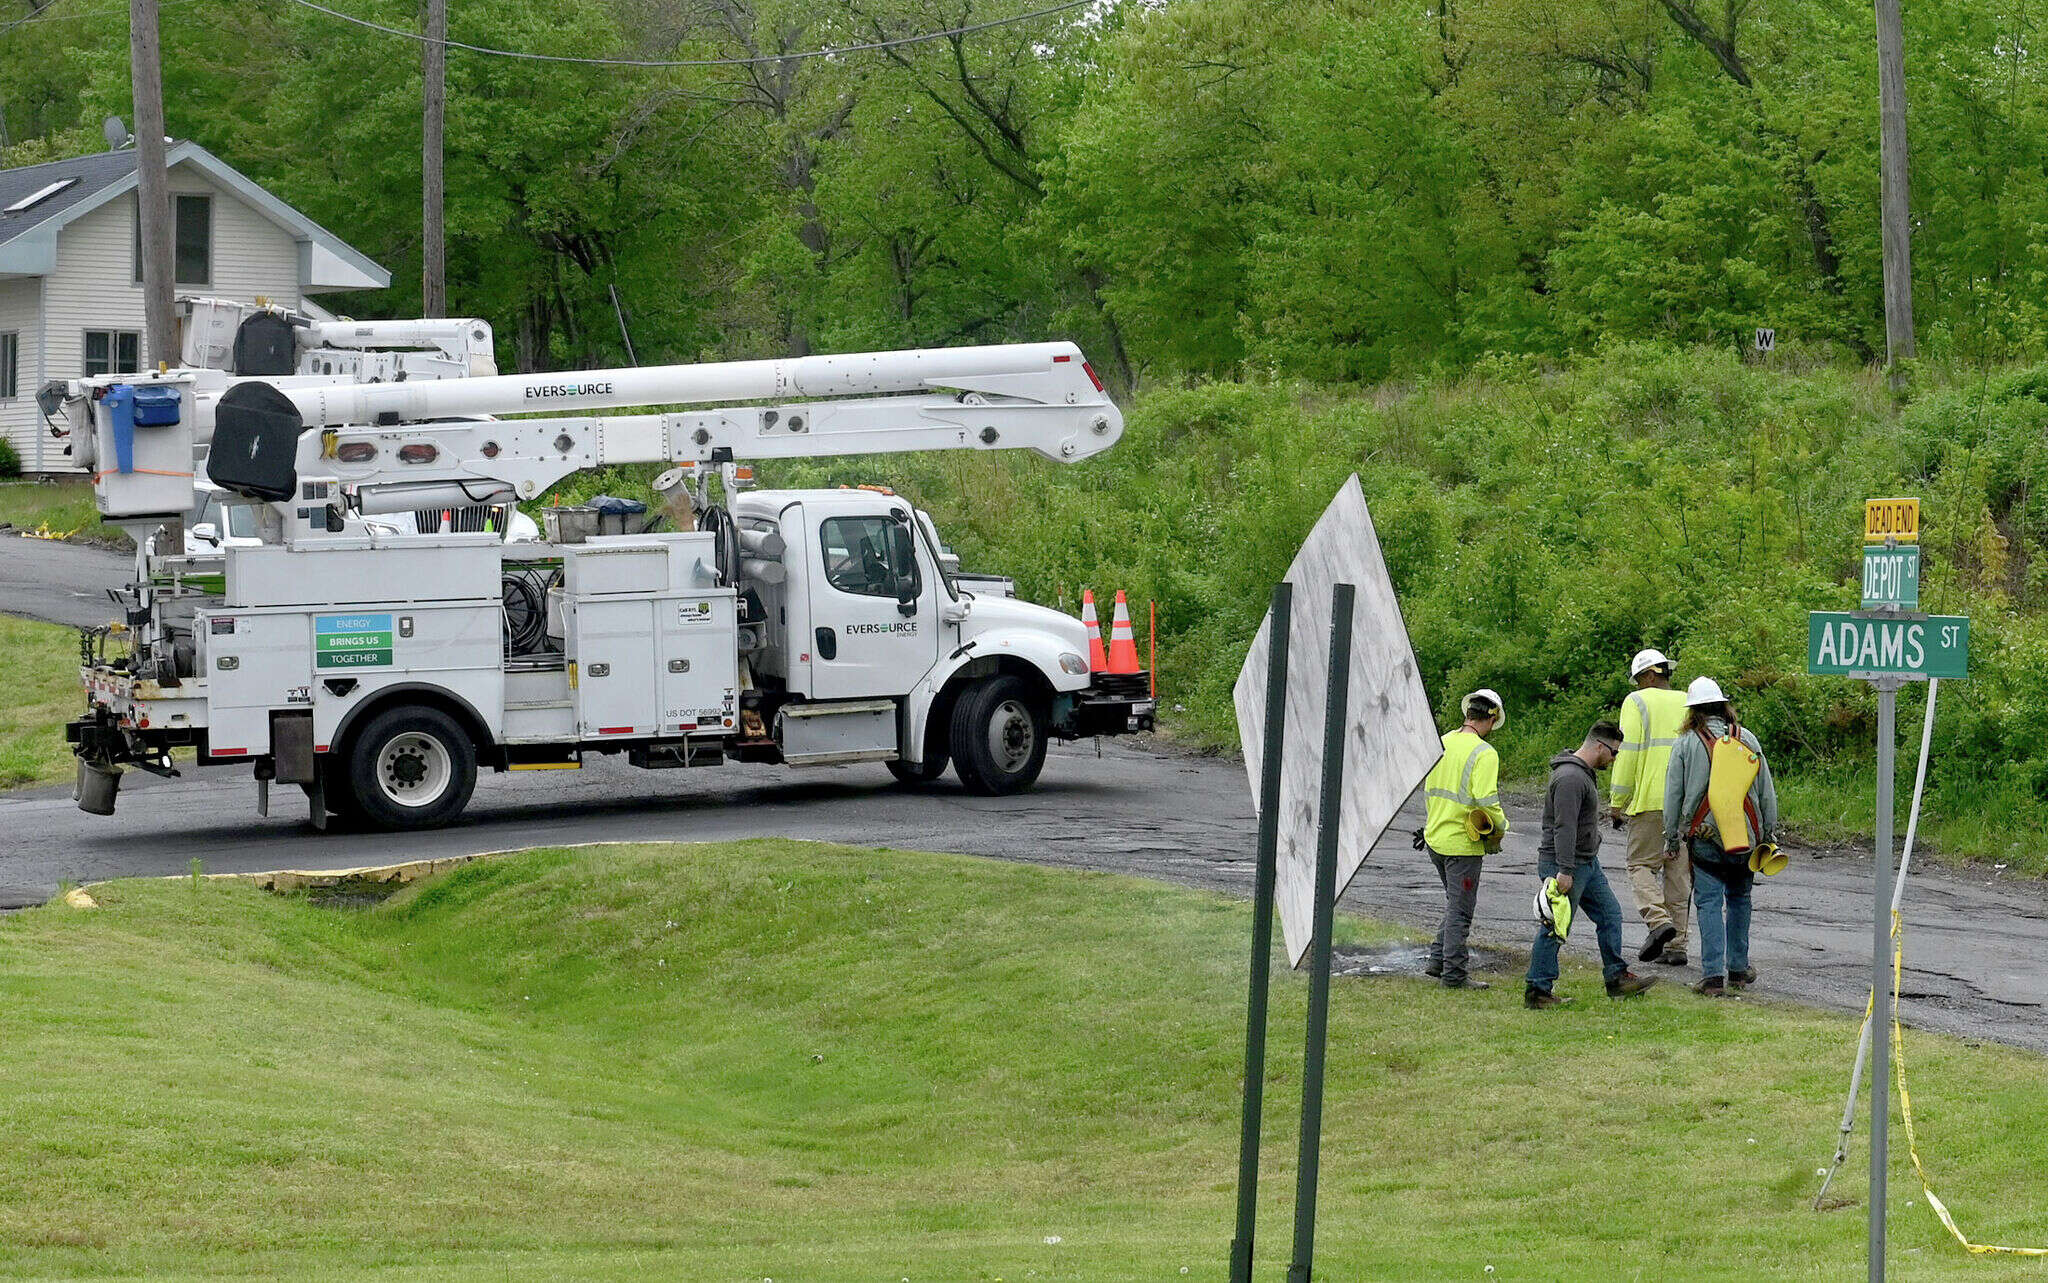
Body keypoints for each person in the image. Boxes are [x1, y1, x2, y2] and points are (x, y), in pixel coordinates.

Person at [1525, 720, 1659, 1009]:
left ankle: (1617, 978)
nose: (1614, 759)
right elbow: (1564, 827)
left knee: (1610, 914)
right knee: (1555, 927)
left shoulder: (1582, 774)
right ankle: (1537, 991)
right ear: (1599, 746)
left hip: (1586, 863)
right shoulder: (1571, 778)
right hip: (1566, 865)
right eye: (1613, 753)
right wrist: (1564, 870)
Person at [1662, 677, 1778, 998]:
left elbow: (1673, 795)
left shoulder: (1686, 744)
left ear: (1693, 711)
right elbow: (1766, 792)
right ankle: (1739, 969)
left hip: (1705, 838)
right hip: (1747, 839)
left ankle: (1713, 976)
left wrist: (1671, 838)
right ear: (1724, 706)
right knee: (1740, 900)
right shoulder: (1748, 739)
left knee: (1709, 902)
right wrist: (1768, 834)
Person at [1609, 648, 1693, 967]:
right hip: (1686, 803)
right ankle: (1677, 946)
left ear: (1648, 675)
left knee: (1639, 865)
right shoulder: (1688, 701)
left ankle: (1659, 923)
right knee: (1677, 872)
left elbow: (1627, 752)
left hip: (1651, 801)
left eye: (1638, 680)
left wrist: (1617, 802)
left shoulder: (1637, 702)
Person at [1421, 689, 1508, 991]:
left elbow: (1429, 790)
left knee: (1454, 903)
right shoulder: (1484, 753)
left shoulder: (1442, 742)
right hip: (1462, 846)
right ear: (1492, 718)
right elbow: (1487, 802)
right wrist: (1502, 826)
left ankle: (1437, 960)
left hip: (1436, 838)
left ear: (1468, 713)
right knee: (1460, 910)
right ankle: (1455, 975)